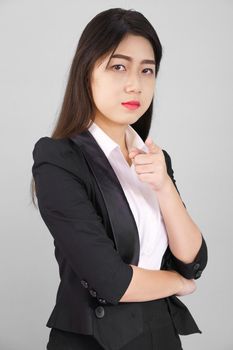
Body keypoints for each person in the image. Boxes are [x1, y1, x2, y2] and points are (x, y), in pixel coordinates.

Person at [30, 7, 208, 350]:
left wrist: (165, 187)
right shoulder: (58, 159)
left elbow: (193, 259)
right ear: (87, 72)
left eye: (147, 70)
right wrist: (176, 282)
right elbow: (111, 281)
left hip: (161, 335)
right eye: (118, 66)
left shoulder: (155, 158)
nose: (135, 84)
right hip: (94, 341)